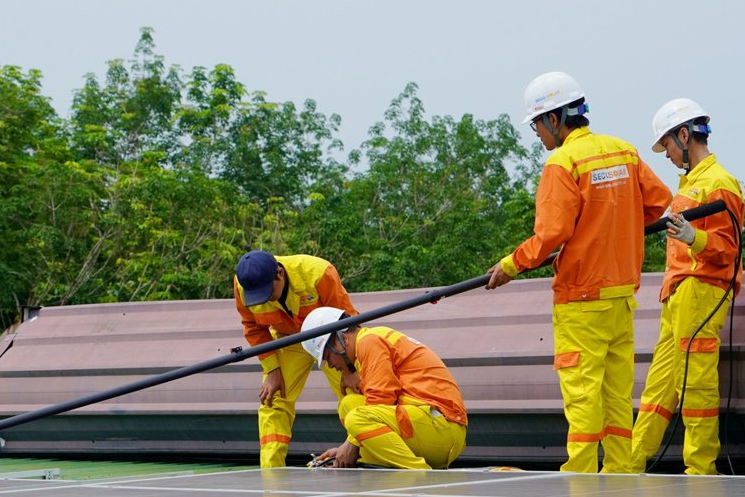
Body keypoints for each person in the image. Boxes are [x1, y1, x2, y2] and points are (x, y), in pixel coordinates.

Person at [486, 71, 672, 473]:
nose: (537, 134)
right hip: (621, 299)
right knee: (617, 398)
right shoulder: (623, 151)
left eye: (537, 124)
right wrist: (611, 228)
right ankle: (621, 478)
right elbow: (659, 203)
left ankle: (582, 484)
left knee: (583, 397)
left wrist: (509, 265)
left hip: (581, 302)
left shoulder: (563, 161)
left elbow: (552, 233)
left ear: (555, 119)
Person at [611, 98, 745, 475]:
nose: (666, 154)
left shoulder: (719, 183)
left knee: (696, 383)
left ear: (684, 135)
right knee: (660, 386)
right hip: (680, 294)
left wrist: (694, 239)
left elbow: (728, 250)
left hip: (702, 292)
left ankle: (700, 471)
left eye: (667, 145)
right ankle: (629, 464)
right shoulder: (692, 185)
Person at [300, 306, 467, 470]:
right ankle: (370, 460)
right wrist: (347, 451)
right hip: (430, 426)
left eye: (328, 357)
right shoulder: (369, 341)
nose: (331, 365)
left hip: (444, 430)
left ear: (342, 339)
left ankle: (418, 473)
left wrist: (350, 444)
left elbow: (381, 400)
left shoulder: (370, 341)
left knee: (357, 417)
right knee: (348, 404)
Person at [234, 251, 358, 468]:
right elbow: (253, 328)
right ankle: (271, 471)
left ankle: (360, 452)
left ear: (279, 273)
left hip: (330, 340)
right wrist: (272, 371)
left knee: (355, 390)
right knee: (273, 399)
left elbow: (348, 325)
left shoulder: (319, 273)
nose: (267, 299)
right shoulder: (243, 285)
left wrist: (349, 368)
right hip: (287, 339)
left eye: (268, 291)